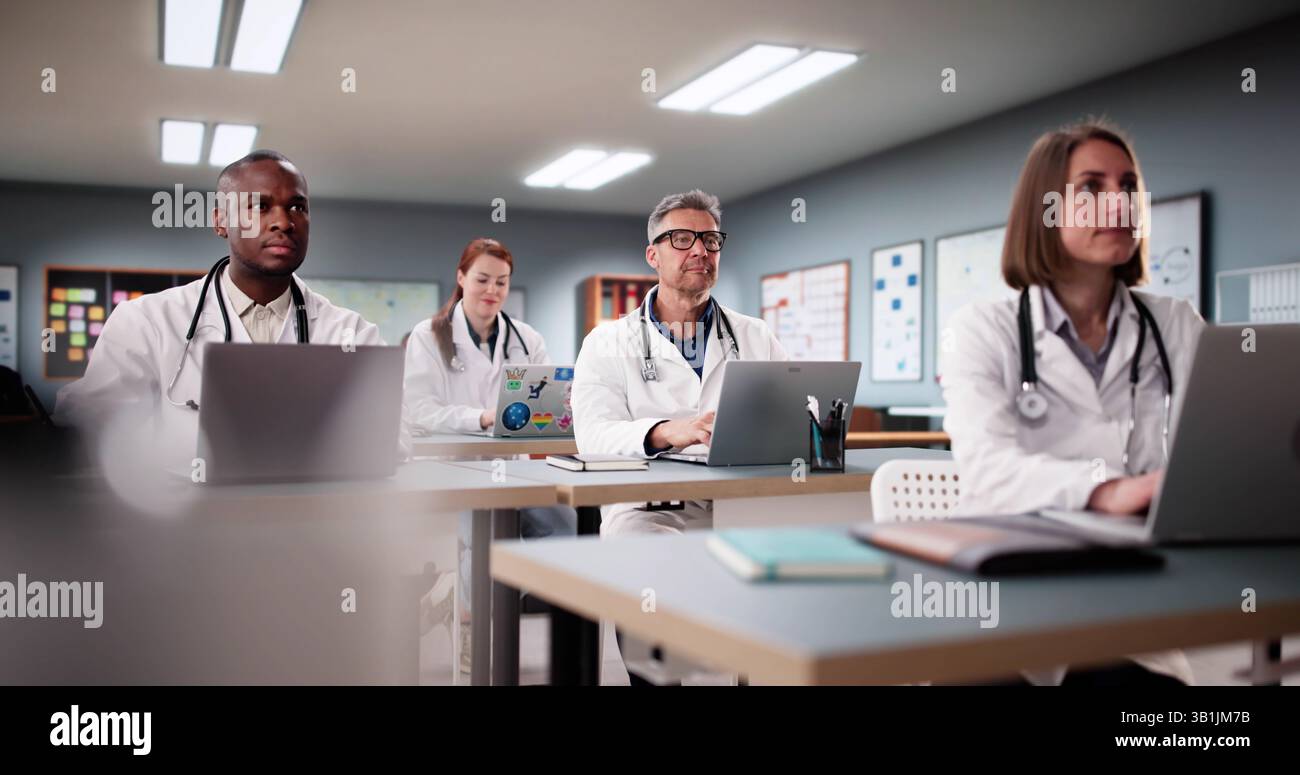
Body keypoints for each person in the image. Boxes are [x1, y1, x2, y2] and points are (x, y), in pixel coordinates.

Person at [941, 121, 1204, 685]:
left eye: (1129, 186)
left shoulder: (1176, 325)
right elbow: (988, 470)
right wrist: (1108, 491)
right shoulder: (982, 329)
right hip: (1003, 597)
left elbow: (1223, 446)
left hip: (1131, 592)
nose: (1121, 202)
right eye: (1091, 187)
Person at [54, 150, 386, 470]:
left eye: (297, 207)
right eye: (259, 206)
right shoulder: (145, 322)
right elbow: (89, 425)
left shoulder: (352, 333)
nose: (283, 222)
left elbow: (390, 436)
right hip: (184, 521)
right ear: (221, 221)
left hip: (309, 519)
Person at [401, 237, 574, 677]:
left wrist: (560, 413)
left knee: (568, 538)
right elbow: (419, 411)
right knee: (488, 538)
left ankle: (454, 601)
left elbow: (549, 404)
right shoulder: (428, 337)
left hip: (516, 469)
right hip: (454, 469)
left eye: (501, 281)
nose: (491, 290)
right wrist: (479, 418)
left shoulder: (526, 339)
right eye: (482, 279)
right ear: (461, 279)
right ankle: (471, 628)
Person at [571, 189, 788, 536]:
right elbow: (593, 437)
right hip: (650, 506)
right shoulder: (605, 342)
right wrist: (666, 431)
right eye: (682, 239)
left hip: (742, 499)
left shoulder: (755, 335)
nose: (701, 250)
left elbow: (788, 415)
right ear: (652, 255)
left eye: (711, 240)